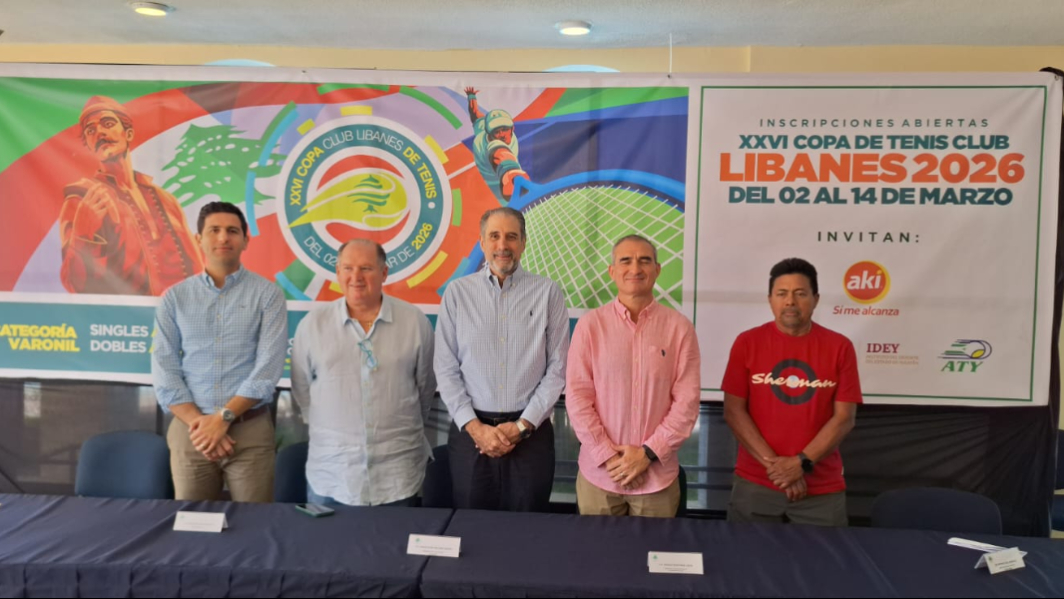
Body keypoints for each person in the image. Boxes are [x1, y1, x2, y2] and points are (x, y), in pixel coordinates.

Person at [435, 206, 569, 511]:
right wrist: (476, 429)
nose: (502, 245)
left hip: (531, 437)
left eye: (511, 236)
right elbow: (445, 368)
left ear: (523, 243)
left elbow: (558, 369)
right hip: (471, 436)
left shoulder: (548, 293)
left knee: (528, 528)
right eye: (494, 236)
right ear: (482, 242)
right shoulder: (457, 293)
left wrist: (522, 427)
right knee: (471, 526)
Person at [152, 202, 287, 502]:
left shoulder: (268, 295)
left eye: (232, 231)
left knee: (254, 523)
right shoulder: (174, 298)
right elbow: (164, 370)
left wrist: (223, 418)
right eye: (214, 230)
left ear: (246, 240)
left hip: (249, 432)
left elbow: (267, 370)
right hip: (191, 433)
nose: (223, 237)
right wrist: (203, 426)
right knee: (192, 523)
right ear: (198, 238)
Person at [291, 239, 436, 507]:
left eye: (366, 268)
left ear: (384, 273)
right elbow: (302, 389)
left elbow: (425, 389)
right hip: (332, 473)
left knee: (399, 536)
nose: (356, 277)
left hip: (397, 473)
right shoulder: (313, 325)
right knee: (327, 536)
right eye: (348, 268)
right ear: (338, 273)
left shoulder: (414, 322)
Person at [566, 235, 700, 517]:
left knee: (655, 547)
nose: (635, 268)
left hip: (657, 479)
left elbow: (686, 403)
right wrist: (608, 457)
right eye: (625, 261)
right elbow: (578, 398)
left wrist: (647, 455)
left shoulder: (680, 328)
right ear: (612, 271)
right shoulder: (590, 326)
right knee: (595, 547)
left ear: (657, 270)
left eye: (644, 261)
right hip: (599, 477)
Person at [722, 257, 862, 526]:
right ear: (770, 299)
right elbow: (734, 412)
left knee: (825, 555)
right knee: (746, 552)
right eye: (782, 294)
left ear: (816, 299)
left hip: (821, 489)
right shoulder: (747, 342)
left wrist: (801, 463)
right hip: (756, 483)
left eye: (800, 294)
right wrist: (779, 469)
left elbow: (844, 418)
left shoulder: (840, 347)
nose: (790, 302)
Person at [59, 95, 202, 295]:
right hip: (125, 314)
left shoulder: (166, 200)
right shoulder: (83, 198)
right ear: (89, 146)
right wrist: (82, 236)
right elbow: (75, 284)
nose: (99, 132)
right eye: (90, 131)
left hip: (182, 311)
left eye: (108, 124)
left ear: (128, 133)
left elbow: (197, 270)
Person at [464, 87, 529, 204]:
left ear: (512, 128)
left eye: (504, 129)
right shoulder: (491, 146)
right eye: (497, 131)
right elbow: (500, 155)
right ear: (489, 133)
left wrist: (471, 96)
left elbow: (475, 114)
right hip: (498, 195)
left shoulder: (482, 128)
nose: (502, 134)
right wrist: (511, 173)